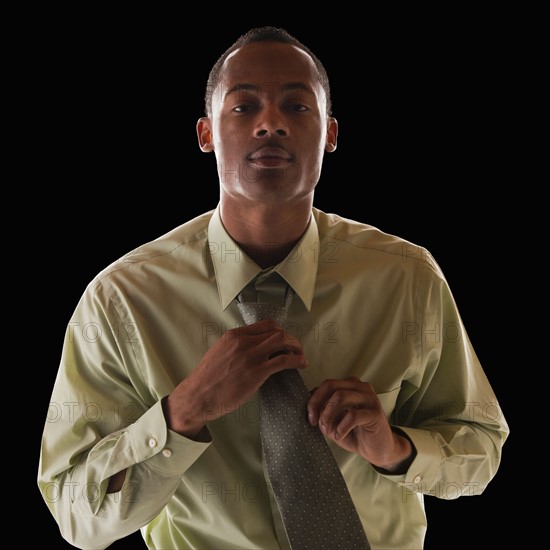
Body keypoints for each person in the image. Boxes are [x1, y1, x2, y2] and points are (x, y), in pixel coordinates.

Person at [37, 26, 509, 549]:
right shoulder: (121, 301)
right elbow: (76, 515)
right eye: (243, 107)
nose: (270, 124)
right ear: (206, 134)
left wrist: (397, 449)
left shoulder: (407, 279)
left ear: (330, 133)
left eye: (296, 106)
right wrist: (181, 414)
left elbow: (481, 452)